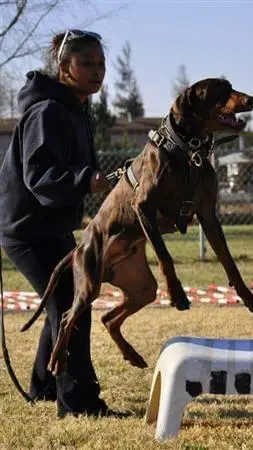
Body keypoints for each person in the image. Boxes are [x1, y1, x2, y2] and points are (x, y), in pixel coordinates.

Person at [0, 29, 113, 418]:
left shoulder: (74, 108)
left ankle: (46, 388)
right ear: (65, 67)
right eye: (87, 63)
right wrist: (86, 179)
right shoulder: (48, 111)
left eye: (100, 63)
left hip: (50, 227)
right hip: (27, 231)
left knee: (66, 303)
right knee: (71, 306)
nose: (97, 71)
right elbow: (39, 176)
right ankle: (78, 403)